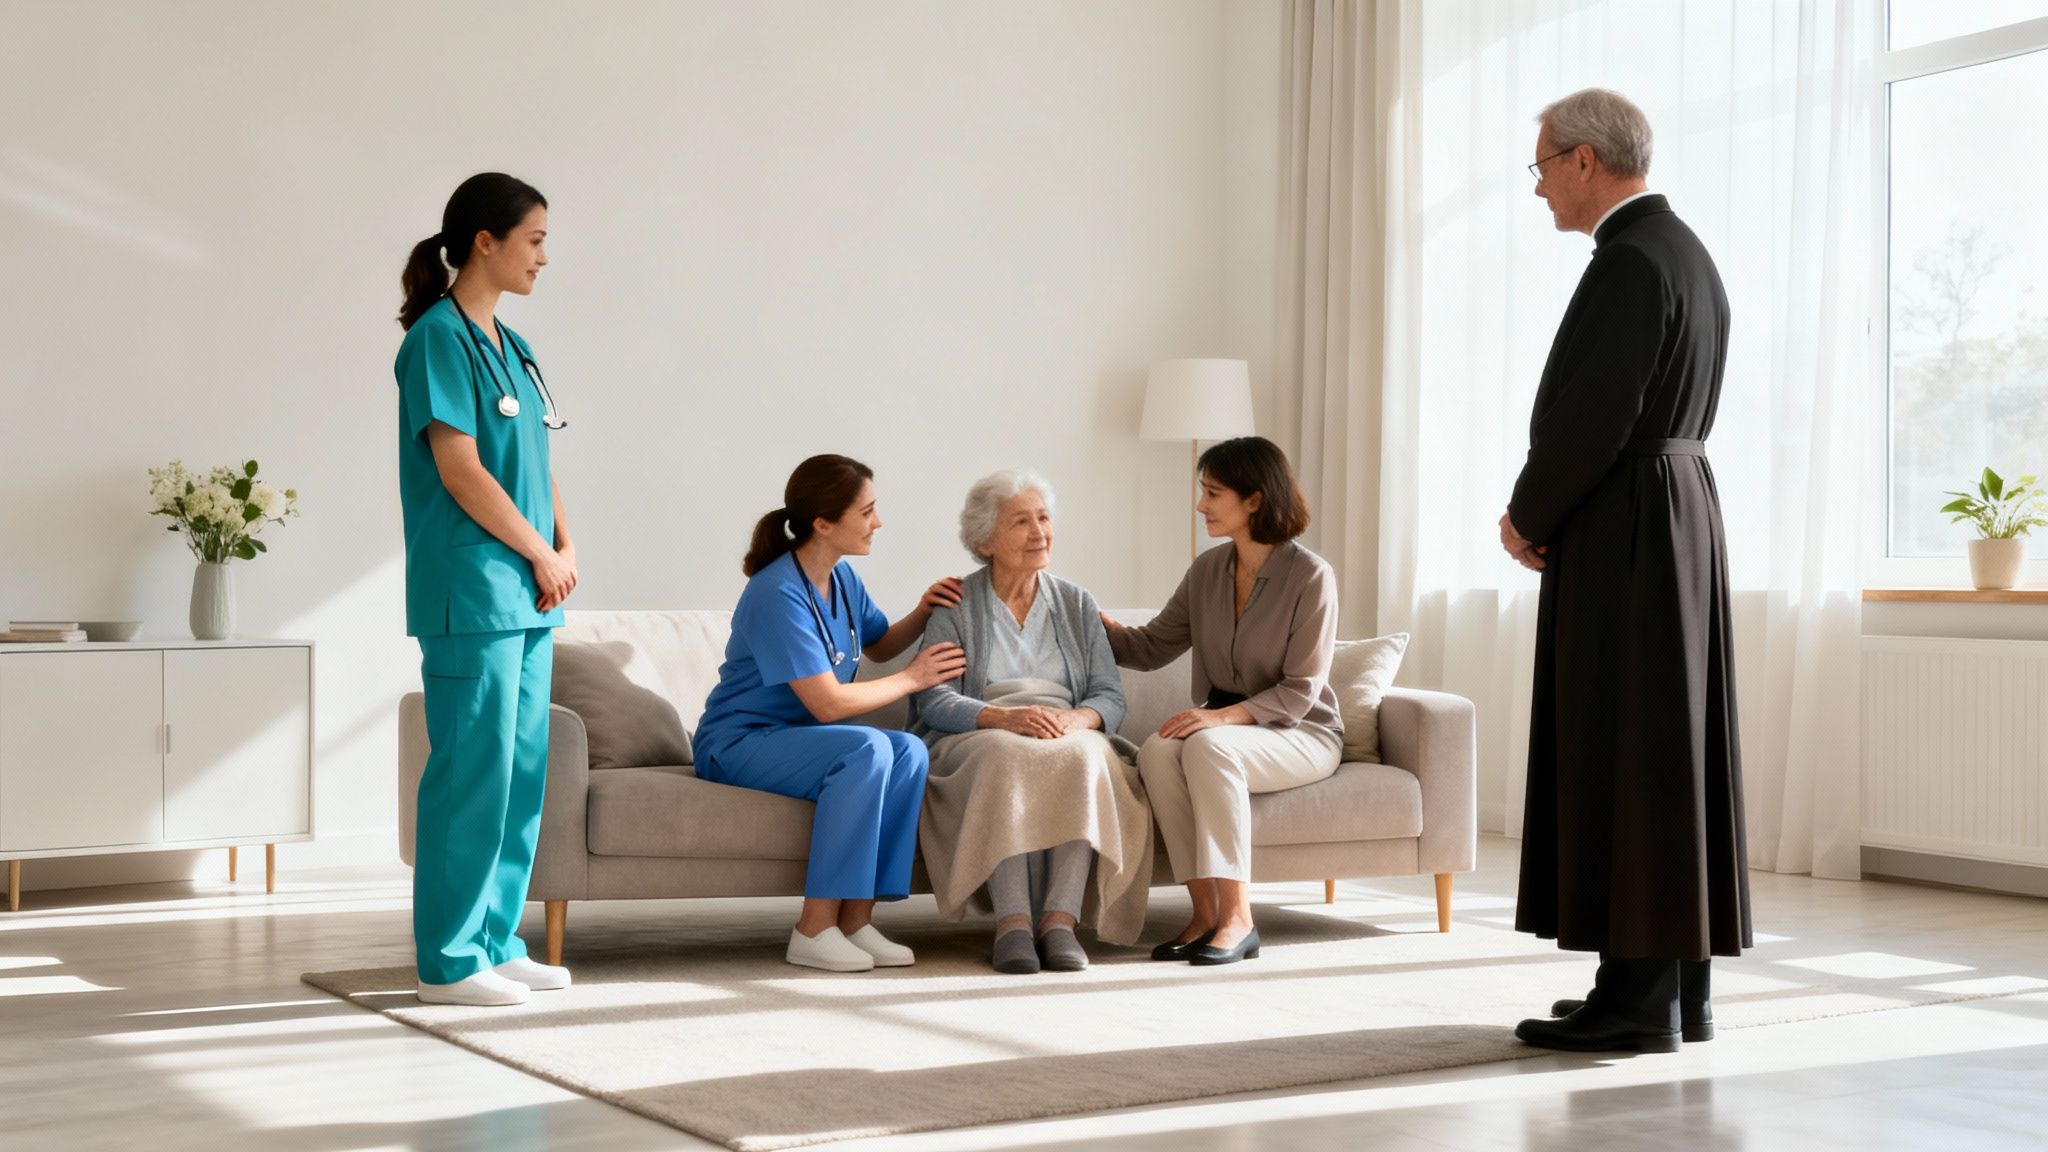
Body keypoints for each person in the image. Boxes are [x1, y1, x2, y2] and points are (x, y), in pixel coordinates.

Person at [1504, 88, 1752, 1053]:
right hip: (1677, 512)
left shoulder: (1628, 261)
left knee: (1625, 744)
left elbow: (1594, 415)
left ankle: (1638, 1002)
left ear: (1582, 161)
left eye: (1540, 168)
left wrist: (1529, 515)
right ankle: (1668, 987)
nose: (1538, 191)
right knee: (1666, 751)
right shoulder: (1686, 253)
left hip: (1629, 525)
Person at [395, 172, 578, 1006]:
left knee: (520, 773)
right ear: (485, 241)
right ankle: (450, 961)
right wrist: (540, 552)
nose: (544, 255)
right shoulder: (437, 338)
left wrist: (563, 545)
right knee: (471, 772)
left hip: (533, 592)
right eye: (534, 239)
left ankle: (498, 941)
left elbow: (538, 462)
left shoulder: (518, 347)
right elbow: (461, 471)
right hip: (473, 595)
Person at [694, 454, 968, 972]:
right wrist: (915, 678)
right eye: (867, 512)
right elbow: (826, 703)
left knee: (908, 750)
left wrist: (924, 609)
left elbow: (882, 645)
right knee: (864, 747)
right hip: (739, 742)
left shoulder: (841, 580)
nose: (878, 523)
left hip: (798, 740)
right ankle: (814, 928)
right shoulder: (778, 592)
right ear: (824, 523)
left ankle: (855, 921)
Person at [1101, 436, 1342, 966]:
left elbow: (1302, 688)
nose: (1200, 504)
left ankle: (1239, 919)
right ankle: (1206, 913)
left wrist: (1220, 717)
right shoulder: (1208, 570)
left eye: (1213, 493)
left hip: (1301, 732)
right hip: (1228, 729)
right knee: (1160, 749)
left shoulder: (1311, 577)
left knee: (1208, 746)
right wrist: (1093, 623)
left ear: (1254, 500)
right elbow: (1152, 645)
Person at [908, 471, 1152, 975]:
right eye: (1021, 521)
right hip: (980, 729)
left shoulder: (1076, 602)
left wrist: (1078, 720)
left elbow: (1108, 693)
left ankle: (1059, 923)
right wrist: (1002, 717)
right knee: (1006, 753)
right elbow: (933, 697)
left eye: (1043, 517)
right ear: (983, 540)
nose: (1040, 531)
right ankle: (1013, 923)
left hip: (1064, 724)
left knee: (1084, 755)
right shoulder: (957, 602)